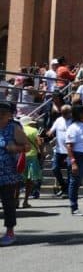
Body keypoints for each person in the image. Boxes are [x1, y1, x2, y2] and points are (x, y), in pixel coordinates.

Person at [0, 101, 30, 245]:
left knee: (8, 204)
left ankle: (10, 233)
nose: (0, 115)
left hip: (8, 174)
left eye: (3, 113)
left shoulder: (14, 128)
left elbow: (27, 147)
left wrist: (15, 148)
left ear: (9, 115)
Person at [16, 116, 40, 209]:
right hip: (32, 156)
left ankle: (16, 200)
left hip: (20, 156)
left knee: (17, 180)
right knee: (29, 180)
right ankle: (25, 201)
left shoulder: (18, 130)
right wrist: (40, 151)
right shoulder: (34, 130)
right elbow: (39, 142)